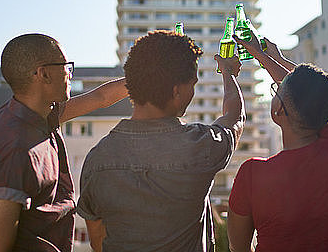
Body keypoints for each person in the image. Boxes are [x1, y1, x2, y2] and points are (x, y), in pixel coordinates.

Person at [76, 30, 245, 252]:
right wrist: (228, 72)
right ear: (176, 91)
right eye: (192, 84)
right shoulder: (201, 146)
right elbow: (235, 118)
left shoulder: (96, 159)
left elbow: (98, 240)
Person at [0, 33, 128, 252]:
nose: (70, 74)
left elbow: (100, 99)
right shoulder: (14, 149)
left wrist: (146, 76)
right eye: (66, 67)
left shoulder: (38, 114)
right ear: (44, 74)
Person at [228, 36, 328, 252]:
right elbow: (312, 99)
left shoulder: (252, 175)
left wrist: (251, 62)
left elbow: (238, 248)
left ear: (278, 111)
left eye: (276, 91)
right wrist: (263, 57)